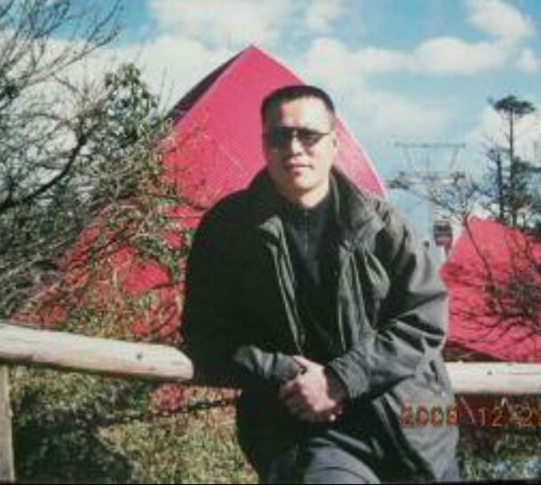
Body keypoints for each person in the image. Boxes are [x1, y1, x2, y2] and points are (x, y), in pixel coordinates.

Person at [180, 85, 459, 483]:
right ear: (264, 144)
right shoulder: (230, 229)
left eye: (308, 136)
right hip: (301, 429)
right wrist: (284, 371)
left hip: (410, 426)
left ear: (333, 144)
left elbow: (425, 319)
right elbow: (205, 333)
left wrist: (340, 379)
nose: (294, 148)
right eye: (279, 137)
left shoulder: (383, 225)